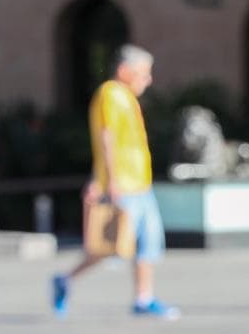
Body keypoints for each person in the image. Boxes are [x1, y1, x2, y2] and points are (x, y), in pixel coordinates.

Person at [51, 44, 179, 319]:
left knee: (149, 242)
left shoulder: (126, 97)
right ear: (124, 71)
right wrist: (111, 180)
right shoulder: (110, 94)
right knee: (108, 247)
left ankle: (143, 299)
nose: (148, 79)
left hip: (140, 184)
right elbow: (107, 138)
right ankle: (66, 279)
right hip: (123, 184)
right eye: (143, 73)